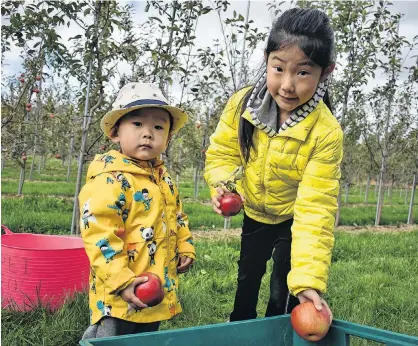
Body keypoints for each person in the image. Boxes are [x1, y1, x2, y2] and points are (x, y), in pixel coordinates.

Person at [204, 8, 342, 323]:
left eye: (303, 72)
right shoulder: (244, 105)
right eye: (278, 68)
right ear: (267, 59)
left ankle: (277, 330)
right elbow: (224, 151)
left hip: (293, 216)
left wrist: (309, 280)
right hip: (254, 210)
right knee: (248, 275)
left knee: (284, 284)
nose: (288, 85)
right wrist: (225, 185)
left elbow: (316, 206)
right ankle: (240, 327)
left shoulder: (325, 131)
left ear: (326, 71)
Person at [79, 82, 196, 339]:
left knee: (146, 336)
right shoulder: (110, 180)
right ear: (114, 132)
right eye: (137, 124)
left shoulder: (163, 179)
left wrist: (185, 246)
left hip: (154, 286)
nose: (148, 134)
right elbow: (100, 234)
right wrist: (121, 280)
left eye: (158, 127)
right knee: (112, 336)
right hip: (119, 288)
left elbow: (177, 216)